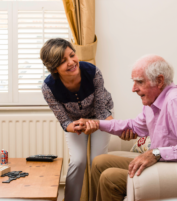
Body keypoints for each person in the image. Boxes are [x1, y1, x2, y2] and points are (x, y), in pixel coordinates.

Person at [74, 55, 177, 201]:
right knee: (99, 162)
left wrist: (157, 153)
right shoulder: (153, 102)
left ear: (159, 81)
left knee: (110, 178)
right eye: (133, 82)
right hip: (163, 164)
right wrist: (97, 124)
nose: (133, 89)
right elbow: (133, 126)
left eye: (139, 82)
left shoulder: (176, 101)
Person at [40, 38, 118, 201]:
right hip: (75, 122)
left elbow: (101, 109)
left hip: (99, 116)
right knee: (78, 161)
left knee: (97, 161)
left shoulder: (93, 72)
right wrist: (74, 127)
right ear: (54, 68)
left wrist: (115, 127)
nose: (71, 62)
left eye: (72, 55)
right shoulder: (48, 88)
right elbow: (64, 120)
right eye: (63, 61)